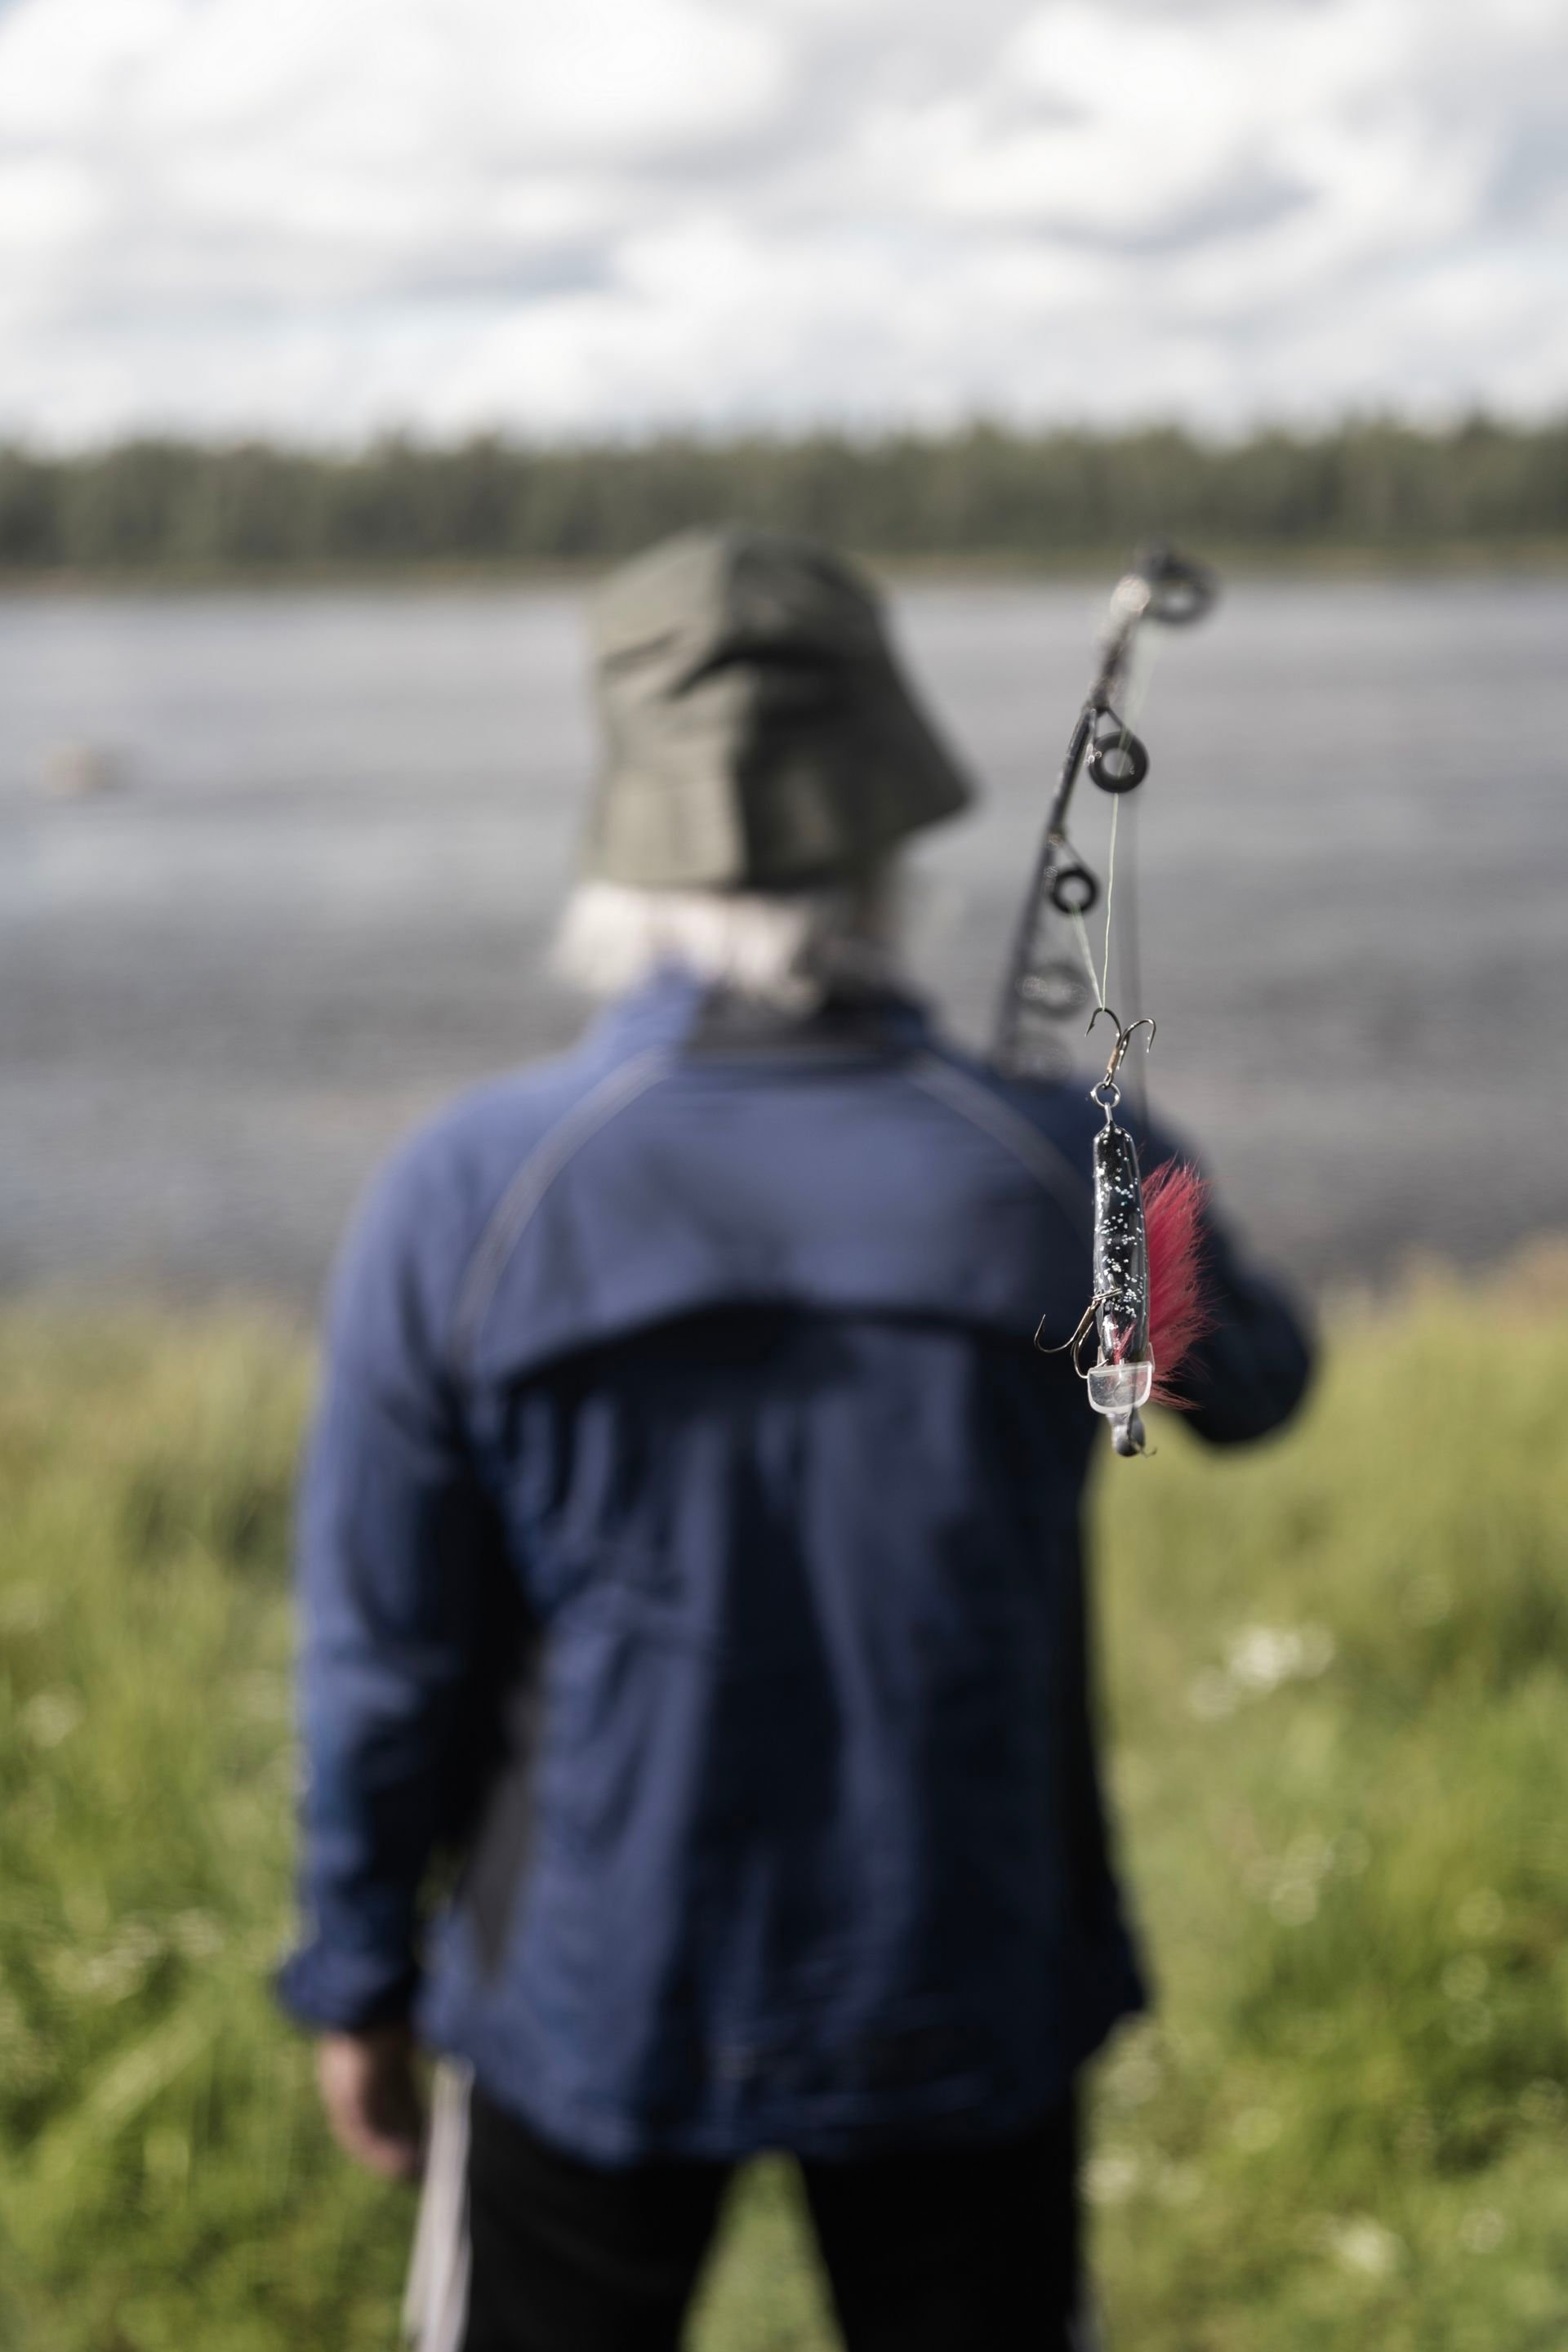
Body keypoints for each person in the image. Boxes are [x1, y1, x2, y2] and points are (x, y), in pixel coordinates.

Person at [278, 526, 1312, 2351]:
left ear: (629, 840)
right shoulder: (1069, 1165)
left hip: (586, 1986)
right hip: (963, 1967)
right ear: (887, 826)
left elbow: (385, 1658)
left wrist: (356, 1973)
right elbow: (1259, 1382)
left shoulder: (470, 1189)